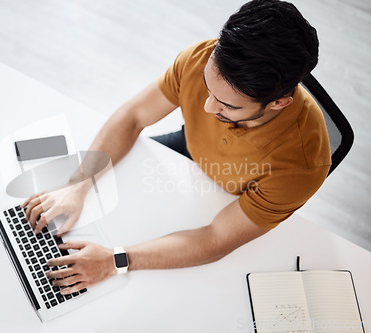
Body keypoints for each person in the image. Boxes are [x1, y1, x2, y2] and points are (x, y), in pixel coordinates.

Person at [22, 0, 331, 295]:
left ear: (278, 103)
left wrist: (114, 260)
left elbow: (216, 238)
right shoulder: (201, 57)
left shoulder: (303, 165)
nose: (208, 107)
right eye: (209, 88)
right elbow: (133, 117)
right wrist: (78, 184)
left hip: (235, 192)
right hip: (188, 150)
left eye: (227, 105)